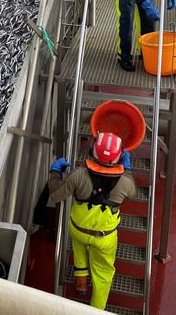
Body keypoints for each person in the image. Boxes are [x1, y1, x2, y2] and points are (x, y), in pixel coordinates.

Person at [49, 132, 137, 310]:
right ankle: (96, 310)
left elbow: (56, 195)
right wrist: (127, 170)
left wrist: (55, 172)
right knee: (103, 274)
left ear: (91, 151)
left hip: (78, 229)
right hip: (104, 238)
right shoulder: (125, 183)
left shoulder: (78, 174)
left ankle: (80, 284)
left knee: (79, 251)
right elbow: (133, 194)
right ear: (120, 156)